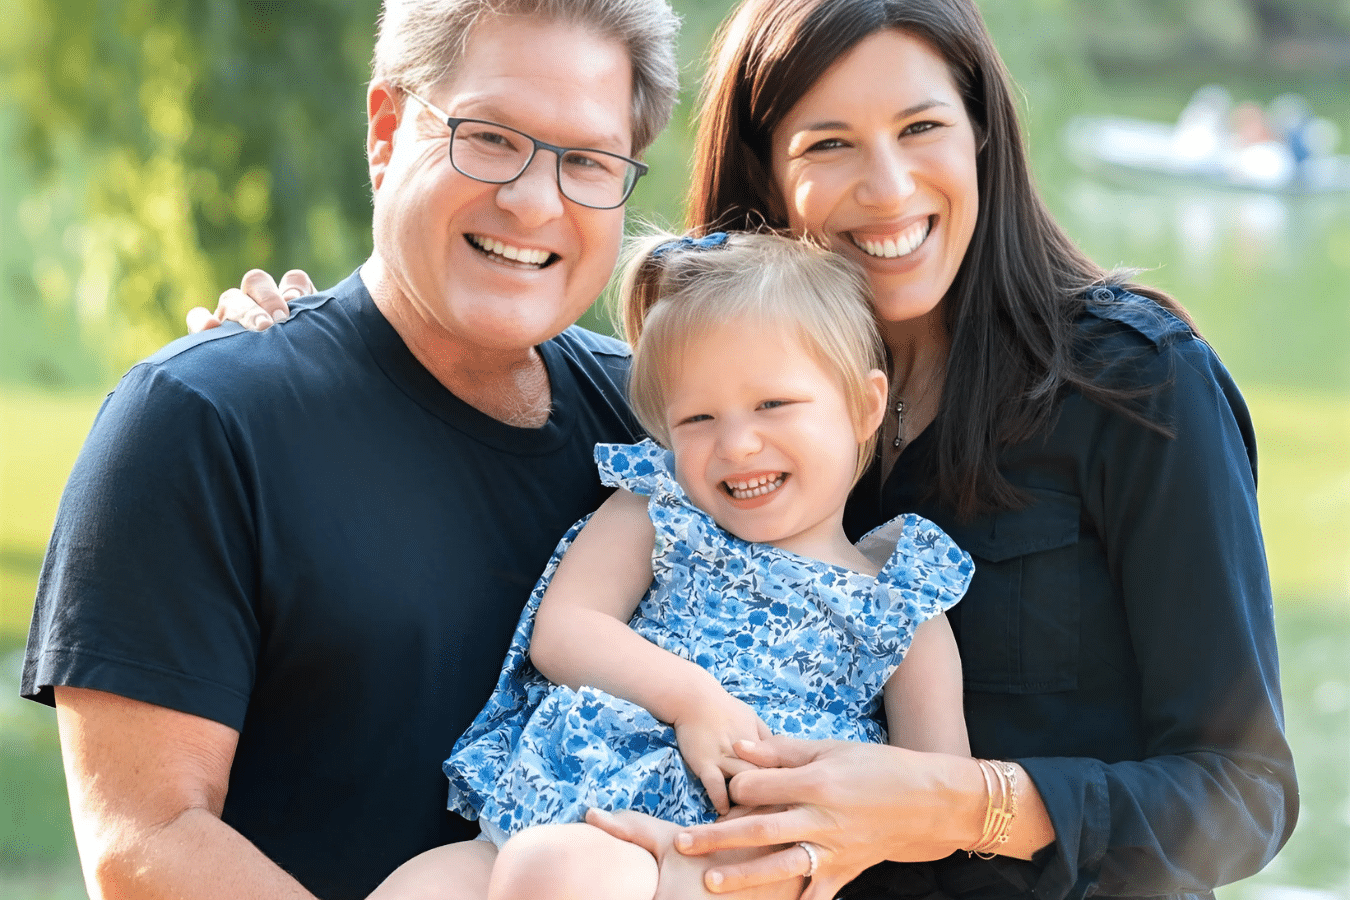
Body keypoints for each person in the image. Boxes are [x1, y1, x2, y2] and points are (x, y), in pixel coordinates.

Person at [193, 0, 1299, 898]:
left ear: (981, 137)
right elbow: (466, 326)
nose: (889, 187)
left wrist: (962, 805)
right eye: (829, 145)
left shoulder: (1133, 381)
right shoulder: (704, 413)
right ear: (769, 184)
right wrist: (288, 343)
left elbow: (1245, 794)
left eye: (922, 129)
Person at [19, 2, 680, 899]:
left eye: (588, 161)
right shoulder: (201, 422)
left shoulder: (666, 433)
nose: (533, 200)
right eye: (488, 137)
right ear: (385, 131)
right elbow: (147, 844)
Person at [368, 230, 975, 900]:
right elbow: (565, 630)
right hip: (546, 815)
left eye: (773, 404)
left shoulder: (900, 603)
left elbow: (938, 796)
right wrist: (692, 699)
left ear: (863, 406)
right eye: (698, 418)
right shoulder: (660, 510)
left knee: (556, 873)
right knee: (421, 886)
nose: (737, 444)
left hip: (716, 868)